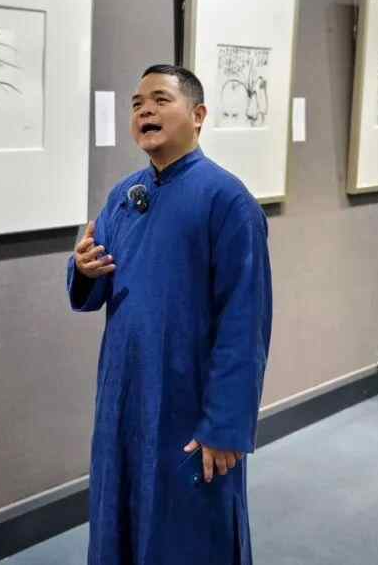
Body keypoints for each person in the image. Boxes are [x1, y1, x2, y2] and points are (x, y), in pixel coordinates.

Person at [66, 64, 274, 565]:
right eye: (137, 104)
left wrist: (225, 425)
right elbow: (93, 289)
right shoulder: (124, 196)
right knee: (119, 516)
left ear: (198, 115)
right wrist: (83, 268)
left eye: (160, 100)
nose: (145, 111)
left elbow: (245, 323)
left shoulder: (228, 201)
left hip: (189, 400)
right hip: (124, 396)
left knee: (188, 531)